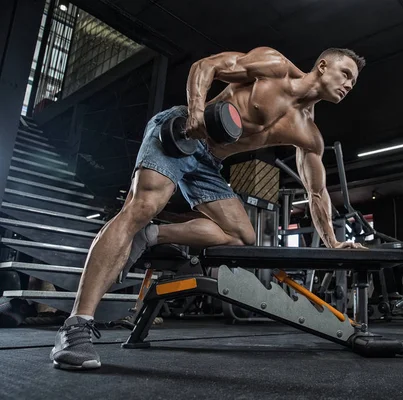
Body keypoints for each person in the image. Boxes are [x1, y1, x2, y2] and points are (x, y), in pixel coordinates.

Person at [50, 47, 366, 369]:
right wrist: (196, 111)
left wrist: (334, 243)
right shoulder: (274, 67)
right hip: (182, 131)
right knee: (144, 204)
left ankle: (152, 235)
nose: (349, 84)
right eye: (346, 74)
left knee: (241, 236)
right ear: (323, 65)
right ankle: (76, 327)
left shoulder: (309, 134)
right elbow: (206, 66)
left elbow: (316, 192)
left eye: (353, 82)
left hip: (210, 162)